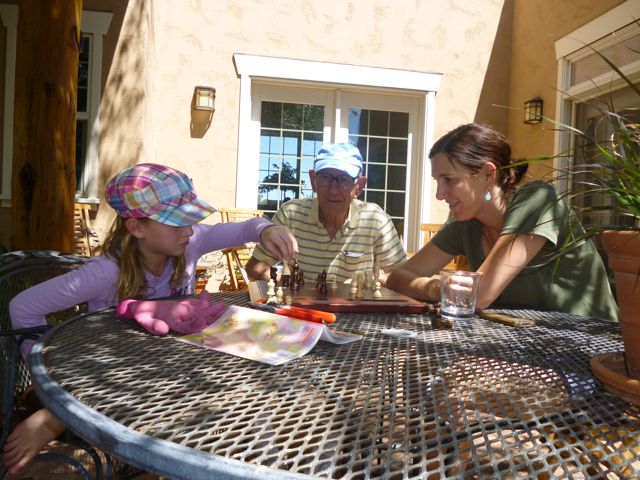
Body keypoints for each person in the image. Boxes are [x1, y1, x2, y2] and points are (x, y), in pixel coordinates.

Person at [3, 162, 297, 475]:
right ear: (137, 228)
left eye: (190, 220)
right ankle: (57, 415)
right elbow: (23, 307)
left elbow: (245, 229)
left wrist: (267, 229)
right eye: (177, 222)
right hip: (115, 376)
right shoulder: (106, 272)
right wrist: (49, 384)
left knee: (247, 380)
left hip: (169, 370)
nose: (188, 230)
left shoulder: (190, 242)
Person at [386, 123, 619, 321]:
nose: (439, 194)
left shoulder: (537, 199)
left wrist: (435, 286)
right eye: (437, 180)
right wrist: (434, 287)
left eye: (448, 179)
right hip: (522, 342)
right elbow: (398, 276)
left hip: (589, 343)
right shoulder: (466, 222)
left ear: (488, 174)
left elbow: (479, 295)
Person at [245, 143, 406, 284]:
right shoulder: (290, 215)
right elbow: (254, 267)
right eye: (325, 178)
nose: (333, 190)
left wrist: (367, 281)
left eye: (344, 179)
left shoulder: (376, 221)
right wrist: (290, 284)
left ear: (359, 186)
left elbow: (400, 278)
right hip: (299, 308)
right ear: (313, 181)